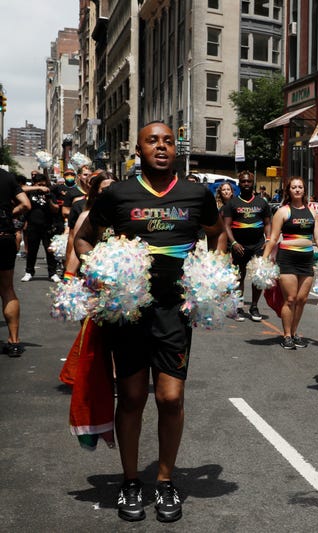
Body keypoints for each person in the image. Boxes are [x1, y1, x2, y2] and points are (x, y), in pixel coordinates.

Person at [74, 121, 224, 523]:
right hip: (131, 313)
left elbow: (217, 232)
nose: (161, 146)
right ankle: (129, 482)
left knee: (171, 398)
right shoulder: (118, 194)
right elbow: (84, 238)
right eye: (152, 140)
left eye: (169, 141)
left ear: (176, 149)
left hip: (175, 311)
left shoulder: (197, 193)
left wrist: (209, 271)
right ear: (137, 149)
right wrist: (99, 272)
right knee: (135, 397)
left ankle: (165, 480)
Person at [262, 177, 318, 349]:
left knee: (302, 299)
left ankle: (295, 332)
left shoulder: (312, 212)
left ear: (304, 190)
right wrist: (264, 259)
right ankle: (287, 335)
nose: (297, 190)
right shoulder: (283, 211)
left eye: (300, 187)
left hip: (306, 260)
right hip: (287, 259)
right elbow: (274, 237)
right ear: (288, 190)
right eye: (294, 187)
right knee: (290, 299)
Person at [222, 170, 271, 322]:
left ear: (253, 183)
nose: (246, 184)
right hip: (239, 246)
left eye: (248, 181)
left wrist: (268, 240)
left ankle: (254, 306)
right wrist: (234, 243)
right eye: (243, 181)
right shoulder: (232, 203)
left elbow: (268, 223)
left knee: (258, 277)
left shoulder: (262, 203)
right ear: (239, 184)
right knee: (239, 277)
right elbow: (226, 226)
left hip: (258, 245)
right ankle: (238, 307)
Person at [0, 168, 31, 357]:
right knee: (7, 289)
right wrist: (10, 213)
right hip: (4, 237)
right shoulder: (6, 177)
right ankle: (14, 341)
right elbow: (26, 204)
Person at [20, 173, 60, 282]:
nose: (43, 187)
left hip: (48, 226)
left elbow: (56, 209)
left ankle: (52, 273)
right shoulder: (30, 192)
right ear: (35, 184)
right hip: (33, 226)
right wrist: (38, 187)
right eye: (40, 184)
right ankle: (29, 272)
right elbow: (20, 188)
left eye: (44, 184)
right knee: (32, 250)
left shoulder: (50, 193)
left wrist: (49, 200)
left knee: (50, 251)